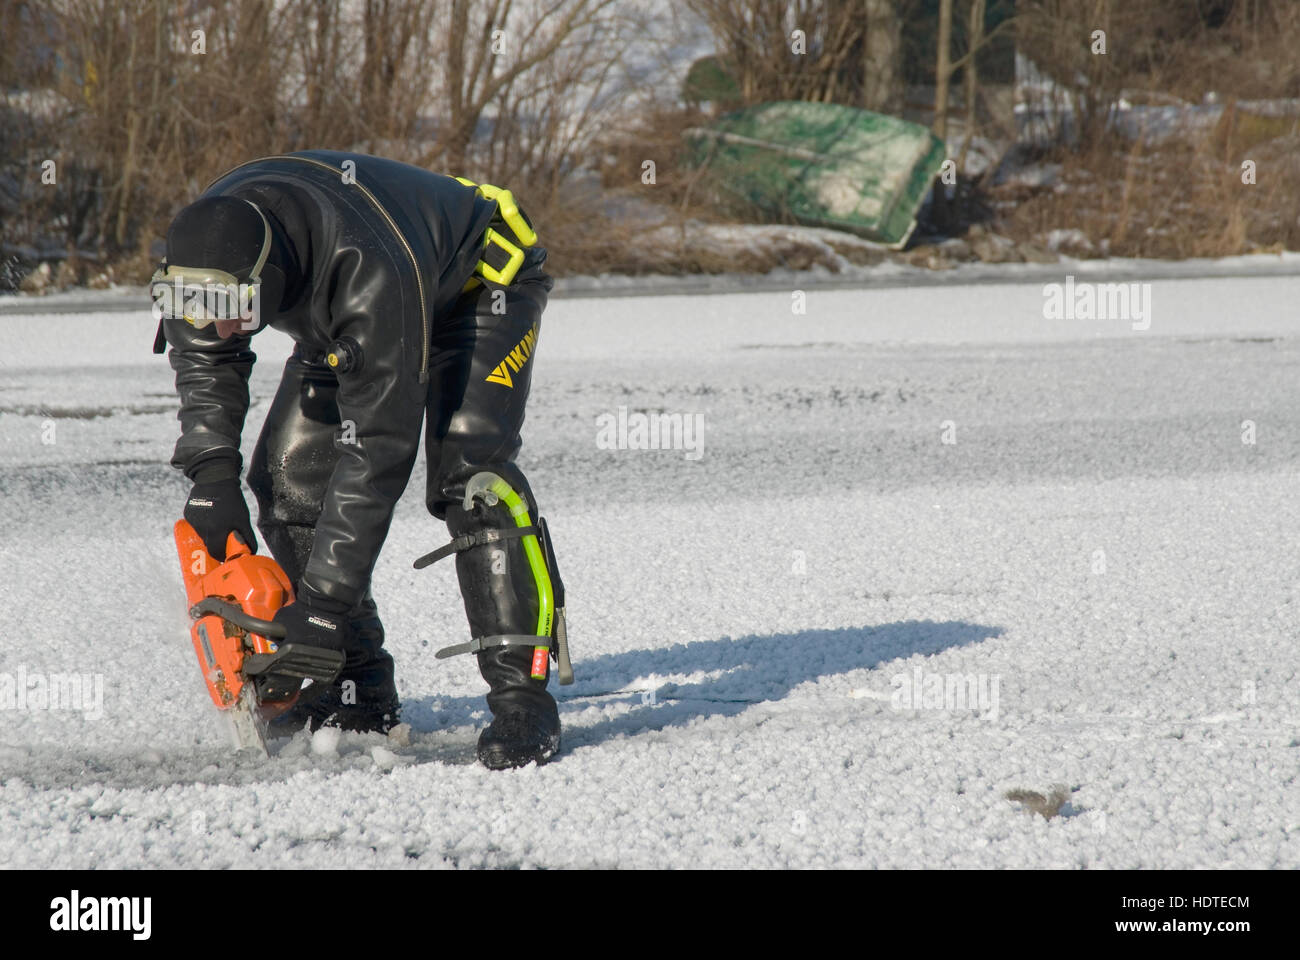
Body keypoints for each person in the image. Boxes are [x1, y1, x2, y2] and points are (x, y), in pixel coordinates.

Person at [152, 150, 566, 769]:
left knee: (472, 479)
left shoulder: (371, 271)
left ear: (267, 280)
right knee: (289, 481)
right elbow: (205, 355)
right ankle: (358, 690)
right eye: (201, 312)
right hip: (340, 315)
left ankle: (523, 698)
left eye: (233, 311)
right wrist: (213, 473)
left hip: (475, 291)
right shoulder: (207, 253)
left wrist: (321, 607)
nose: (218, 328)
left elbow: (375, 454)